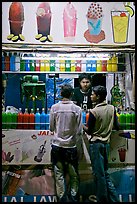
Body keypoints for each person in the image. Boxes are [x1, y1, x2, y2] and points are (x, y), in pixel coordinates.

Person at [83, 85, 120, 202]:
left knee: (99, 176)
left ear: (98, 97)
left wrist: (80, 124)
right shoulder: (112, 108)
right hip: (106, 144)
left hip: (96, 145)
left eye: (92, 94)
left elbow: (89, 130)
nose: (91, 96)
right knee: (105, 174)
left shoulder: (94, 112)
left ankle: (102, 199)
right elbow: (117, 126)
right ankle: (114, 199)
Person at [49, 84, 83, 202]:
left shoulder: (54, 108)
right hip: (71, 147)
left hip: (57, 146)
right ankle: (73, 198)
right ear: (72, 94)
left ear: (60, 94)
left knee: (59, 175)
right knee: (74, 175)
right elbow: (79, 131)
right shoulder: (77, 109)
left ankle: (62, 199)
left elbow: (51, 127)